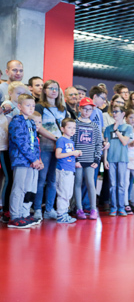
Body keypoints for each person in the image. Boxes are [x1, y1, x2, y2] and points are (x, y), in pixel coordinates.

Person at [34, 80, 69, 220]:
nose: (54, 91)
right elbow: (38, 126)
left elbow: (66, 127)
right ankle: (37, 208)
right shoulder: (39, 106)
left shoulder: (62, 108)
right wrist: (56, 138)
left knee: (53, 180)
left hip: (59, 149)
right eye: (51, 88)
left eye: (56, 88)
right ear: (44, 90)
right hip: (45, 145)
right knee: (41, 179)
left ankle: (49, 209)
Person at [7, 94, 41, 228]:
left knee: (29, 188)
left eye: (33, 105)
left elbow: (35, 143)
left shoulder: (31, 122)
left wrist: (37, 159)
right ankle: (14, 216)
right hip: (21, 161)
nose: (31, 108)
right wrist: (33, 158)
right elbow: (21, 142)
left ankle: (24, 213)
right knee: (19, 188)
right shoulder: (17, 121)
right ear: (20, 106)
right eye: (28, 105)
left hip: (32, 161)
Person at [72, 97, 103, 221]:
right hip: (78, 160)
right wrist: (75, 159)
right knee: (78, 183)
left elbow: (98, 143)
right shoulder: (75, 124)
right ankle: (79, 208)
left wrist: (96, 159)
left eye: (89, 109)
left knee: (91, 183)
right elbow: (72, 142)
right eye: (84, 109)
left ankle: (93, 209)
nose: (87, 111)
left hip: (90, 161)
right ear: (80, 109)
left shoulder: (95, 126)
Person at [104, 107, 132, 216]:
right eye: (113, 111)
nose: (114, 114)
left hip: (122, 159)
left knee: (121, 184)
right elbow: (106, 145)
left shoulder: (127, 127)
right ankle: (113, 207)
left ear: (123, 113)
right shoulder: (108, 128)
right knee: (112, 184)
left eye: (117, 111)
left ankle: (121, 207)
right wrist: (105, 159)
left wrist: (116, 130)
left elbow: (125, 142)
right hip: (111, 158)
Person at [55, 118, 81, 224]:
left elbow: (68, 156)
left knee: (68, 193)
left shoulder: (70, 141)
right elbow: (58, 155)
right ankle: (61, 215)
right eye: (69, 127)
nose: (72, 130)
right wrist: (73, 153)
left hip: (70, 169)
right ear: (62, 128)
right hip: (63, 170)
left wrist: (75, 161)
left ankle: (64, 213)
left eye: (74, 128)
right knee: (63, 193)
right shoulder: (61, 140)